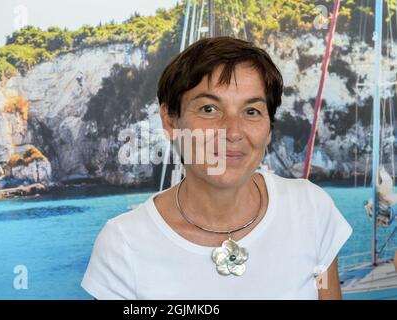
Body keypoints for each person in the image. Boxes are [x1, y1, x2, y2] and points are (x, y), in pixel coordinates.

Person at [81, 36, 352, 300]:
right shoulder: (123, 245)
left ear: (269, 128)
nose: (232, 132)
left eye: (252, 111)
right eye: (209, 109)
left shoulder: (310, 208)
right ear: (170, 121)